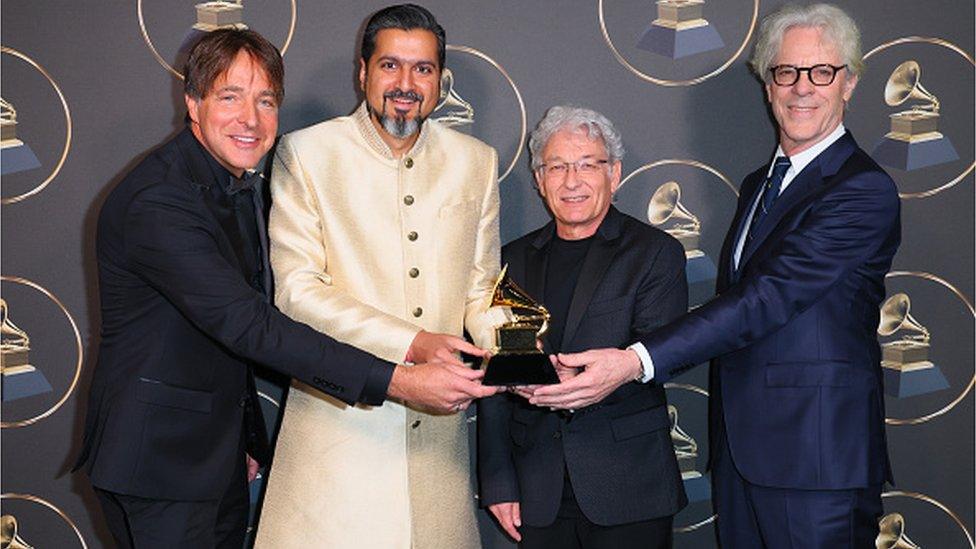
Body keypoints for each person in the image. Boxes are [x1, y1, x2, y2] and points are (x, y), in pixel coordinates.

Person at [74, 29, 471, 549]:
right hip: (158, 467)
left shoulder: (231, 181)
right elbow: (249, 326)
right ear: (192, 102)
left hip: (209, 457)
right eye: (229, 96)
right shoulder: (158, 202)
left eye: (265, 100)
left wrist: (237, 441)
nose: (251, 119)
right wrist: (399, 380)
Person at [532, 4, 900, 547]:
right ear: (767, 84)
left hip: (818, 465)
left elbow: (763, 301)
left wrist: (634, 360)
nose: (802, 88)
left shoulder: (862, 190)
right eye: (786, 72)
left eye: (821, 72)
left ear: (848, 84)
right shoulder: (760, 183)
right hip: (743, 458)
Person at [254, 5, 504, 548]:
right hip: (335, 439)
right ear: (362, 72)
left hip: (439, 450)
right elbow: (297, 292)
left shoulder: (475, 162)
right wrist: (413, 344)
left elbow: (482, 289)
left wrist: (515, 350)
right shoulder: (307, 153)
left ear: (440, 80)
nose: (406, 84)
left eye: (423, 69)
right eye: (391, 66)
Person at [478, 106, 688, 549]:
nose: (571, 181)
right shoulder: (510, 262)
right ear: (538, 179)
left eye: (587, 165)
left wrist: (581, 381)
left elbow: (659, 358)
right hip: (538, 490)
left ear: (614, 173)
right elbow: (496, 375)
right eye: (556, 167)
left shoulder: (654, 254)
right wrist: (497, 480)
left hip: (629, 489)